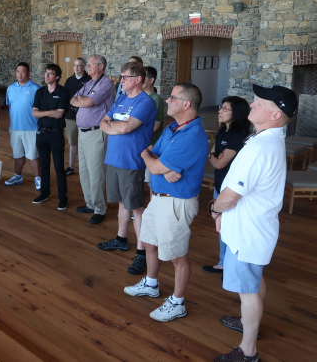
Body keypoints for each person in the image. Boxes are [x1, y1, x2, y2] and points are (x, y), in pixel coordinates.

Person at [210, 85, 297, 362]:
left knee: (247, 290)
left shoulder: (261, 146)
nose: (252, 104)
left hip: (248, 232)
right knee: (254, 282)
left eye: (260, 102)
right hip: (251, 228)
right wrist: (224, 214)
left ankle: (248, 351)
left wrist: (215, 209)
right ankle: (250, 322)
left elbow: (231, 194)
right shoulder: (266, 138)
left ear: (275, 115)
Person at [123, 83, 207, 322]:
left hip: (176, 203)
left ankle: (178, 302)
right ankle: (151, 284)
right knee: (149, 243)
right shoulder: (173, 127)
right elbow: (149, 151)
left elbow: (154, 162)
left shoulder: (192, 136)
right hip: (158, 198)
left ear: (186, 104)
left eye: (172, 97)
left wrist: (158, 165)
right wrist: (159, 165)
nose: (167, 100)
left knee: (177, 256)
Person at [97, 62, 157, 275]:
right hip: (113, 159)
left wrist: (115, 127)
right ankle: (121, 239)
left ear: (138, 79)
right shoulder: (121, 99)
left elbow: (125, 127)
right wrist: (116, 128)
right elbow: (102, 122)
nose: (120, 81)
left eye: (125, 77)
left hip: (131, 161)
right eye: (121, 77)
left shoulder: (145, 103)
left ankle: (141, 252)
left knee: (137, 208)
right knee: (122, 202)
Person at [202, 96, 251, 275]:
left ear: (236, 113)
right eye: (220, 108)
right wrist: (214, 157)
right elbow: (213, 155)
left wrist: (214, 158)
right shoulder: (223, 131)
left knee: (229, 226)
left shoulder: (238, 135)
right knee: (221, 225)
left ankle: (230, 264)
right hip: (219, 183)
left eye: (225, 109)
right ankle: (224, 262)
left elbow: (219, 163)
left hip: (230, 188)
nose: (219, 111)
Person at [70, 55, 115, 224]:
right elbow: (73, 99)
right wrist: (82, 100)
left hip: (96, 133)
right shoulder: (89, 83)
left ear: (101, 67)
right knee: (84, 171)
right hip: (82, 133)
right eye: (87, 64)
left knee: (96, 173)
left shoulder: (105, 84)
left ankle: (99, 208)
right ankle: (90, 203)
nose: (86, 67)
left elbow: (88, 102)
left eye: (90, 64)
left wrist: (83, 100)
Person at [32, 63, 71, 210]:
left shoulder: (63, 92)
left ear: (57, 77)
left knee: (59, 167)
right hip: (41, 133)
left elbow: (60, 113)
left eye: (50, 73)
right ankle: (45, 193)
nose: (46, 76)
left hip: (56, 134)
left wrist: (44, 112)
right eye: (45, 73)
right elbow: (34, 112)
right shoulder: (40, 92)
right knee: (44, 166)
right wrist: (49, 113)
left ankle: (63, 198)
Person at [4, 62, 41, 189]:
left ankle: (38, 178)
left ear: (28, 73)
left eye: (23, 71)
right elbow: (11, 106)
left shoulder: (36, 88)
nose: (20, 74)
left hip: (31, 128)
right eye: (18, 71)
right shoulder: (10, 88)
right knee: (18, 155)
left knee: (33, 155)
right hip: (15, 128)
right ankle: (18, 176)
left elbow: (39, 109)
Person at [63, 57, 91, 175]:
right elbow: (65, 97)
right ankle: (71, 166)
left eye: (79, 65)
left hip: (86, 116)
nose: (76, 67)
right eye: (75, 65)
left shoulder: (89, 80)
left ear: (84, 67)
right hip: (71, 116)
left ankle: (87, 167)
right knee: (72, 142)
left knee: (86, 143)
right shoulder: (69, 80)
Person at [143, 66, 165, 185]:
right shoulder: (138, 97)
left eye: (143, 77)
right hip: (139, 144)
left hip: (151, 145)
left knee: (151, 181)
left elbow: (156, 126)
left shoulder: (156, 99)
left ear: (151, 80)